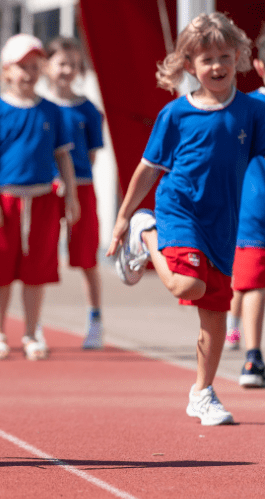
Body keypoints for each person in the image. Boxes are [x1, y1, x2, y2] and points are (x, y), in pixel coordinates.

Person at [107, 12, 265, 425]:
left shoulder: (252, 111)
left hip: (223, 223)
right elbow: (148, 169)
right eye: (207, 59)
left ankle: (202, 393)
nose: (218, 66)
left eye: (225, 56)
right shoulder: (176, 114)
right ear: (190, 64)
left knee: (214, 316)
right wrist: (124, 217)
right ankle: (147, 234)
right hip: (179, 209)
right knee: (188, 284)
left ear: (239, 57)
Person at [0, 33, 80, 362]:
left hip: (43, 201)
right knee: (1, 272)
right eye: (22, 66)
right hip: (6, 202)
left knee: (36, 273)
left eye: (35, 66)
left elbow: (63, 157)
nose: (29, 73)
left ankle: (32, 332)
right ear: (6, 70)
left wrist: (71, 197)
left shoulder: (52, 111)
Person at [43, 37, 106, 350]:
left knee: (86, 257)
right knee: (41, 256)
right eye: (61, 63)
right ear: (47, 66)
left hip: (81, 187)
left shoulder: (89, 110)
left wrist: (72, 184)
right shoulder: (40, 108)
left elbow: (91, 155)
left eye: (74, 64)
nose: (67, 70)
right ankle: (34, 325)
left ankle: (95, 320)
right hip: (45, 189)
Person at [226, 28, 265, 388]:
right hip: (255, 210)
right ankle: (253, 357)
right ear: (259, 66)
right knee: (252, 284)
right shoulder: (247, 108)